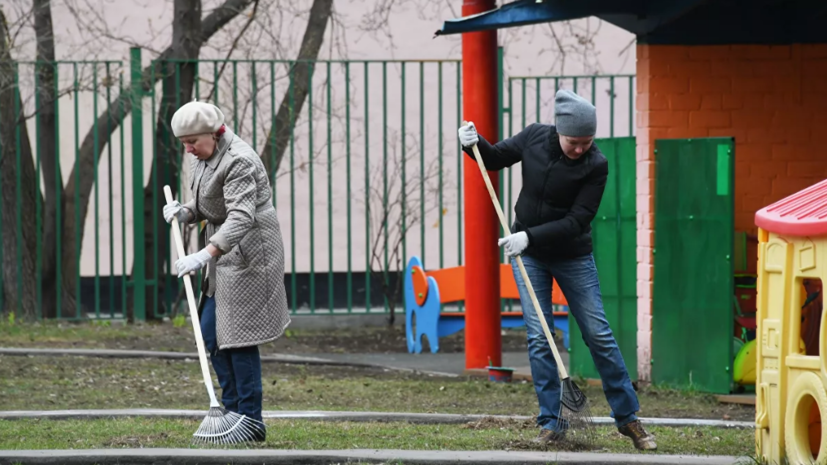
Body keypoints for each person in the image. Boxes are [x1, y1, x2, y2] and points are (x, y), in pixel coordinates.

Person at [457, 89, 656, 451]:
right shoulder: (534, 136)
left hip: (571, 254)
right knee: (539, 336)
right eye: (573, 141)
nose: (580, 148)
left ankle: (628, 419)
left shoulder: (596, 165)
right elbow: (495, 158)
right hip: (529, 255)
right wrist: (472, 143)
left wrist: (527, 237)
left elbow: (577, 220)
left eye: (586, 141)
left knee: (597, 333)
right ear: (559, 130)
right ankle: (552, 421)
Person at [162, 100, 290, 442]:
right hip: (223, 256)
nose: (188, 149)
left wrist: (202, 255)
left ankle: (250, 418)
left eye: (192, 142)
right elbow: (210, 202)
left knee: (238, 338)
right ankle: (231, 410)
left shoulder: (239, 160)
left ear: (214, 134)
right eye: (184, 143)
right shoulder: (204, 155)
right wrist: (185, 212)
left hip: (250, 255)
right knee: (211, 334)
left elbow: (241, 216)